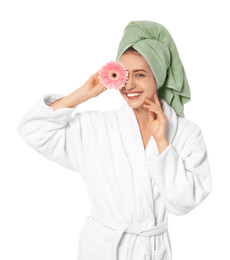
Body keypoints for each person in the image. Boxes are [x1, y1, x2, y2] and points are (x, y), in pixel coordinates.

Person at [17, 20, 212, 260]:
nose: (129, 84)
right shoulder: (98, 127)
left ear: (157, 78)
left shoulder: (186, 134)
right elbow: (33, 129)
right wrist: (84, 93)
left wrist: (162, 143)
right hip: (102, 248)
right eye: (125, 75)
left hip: (151, 250)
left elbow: (184, 203)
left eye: (140, 75)